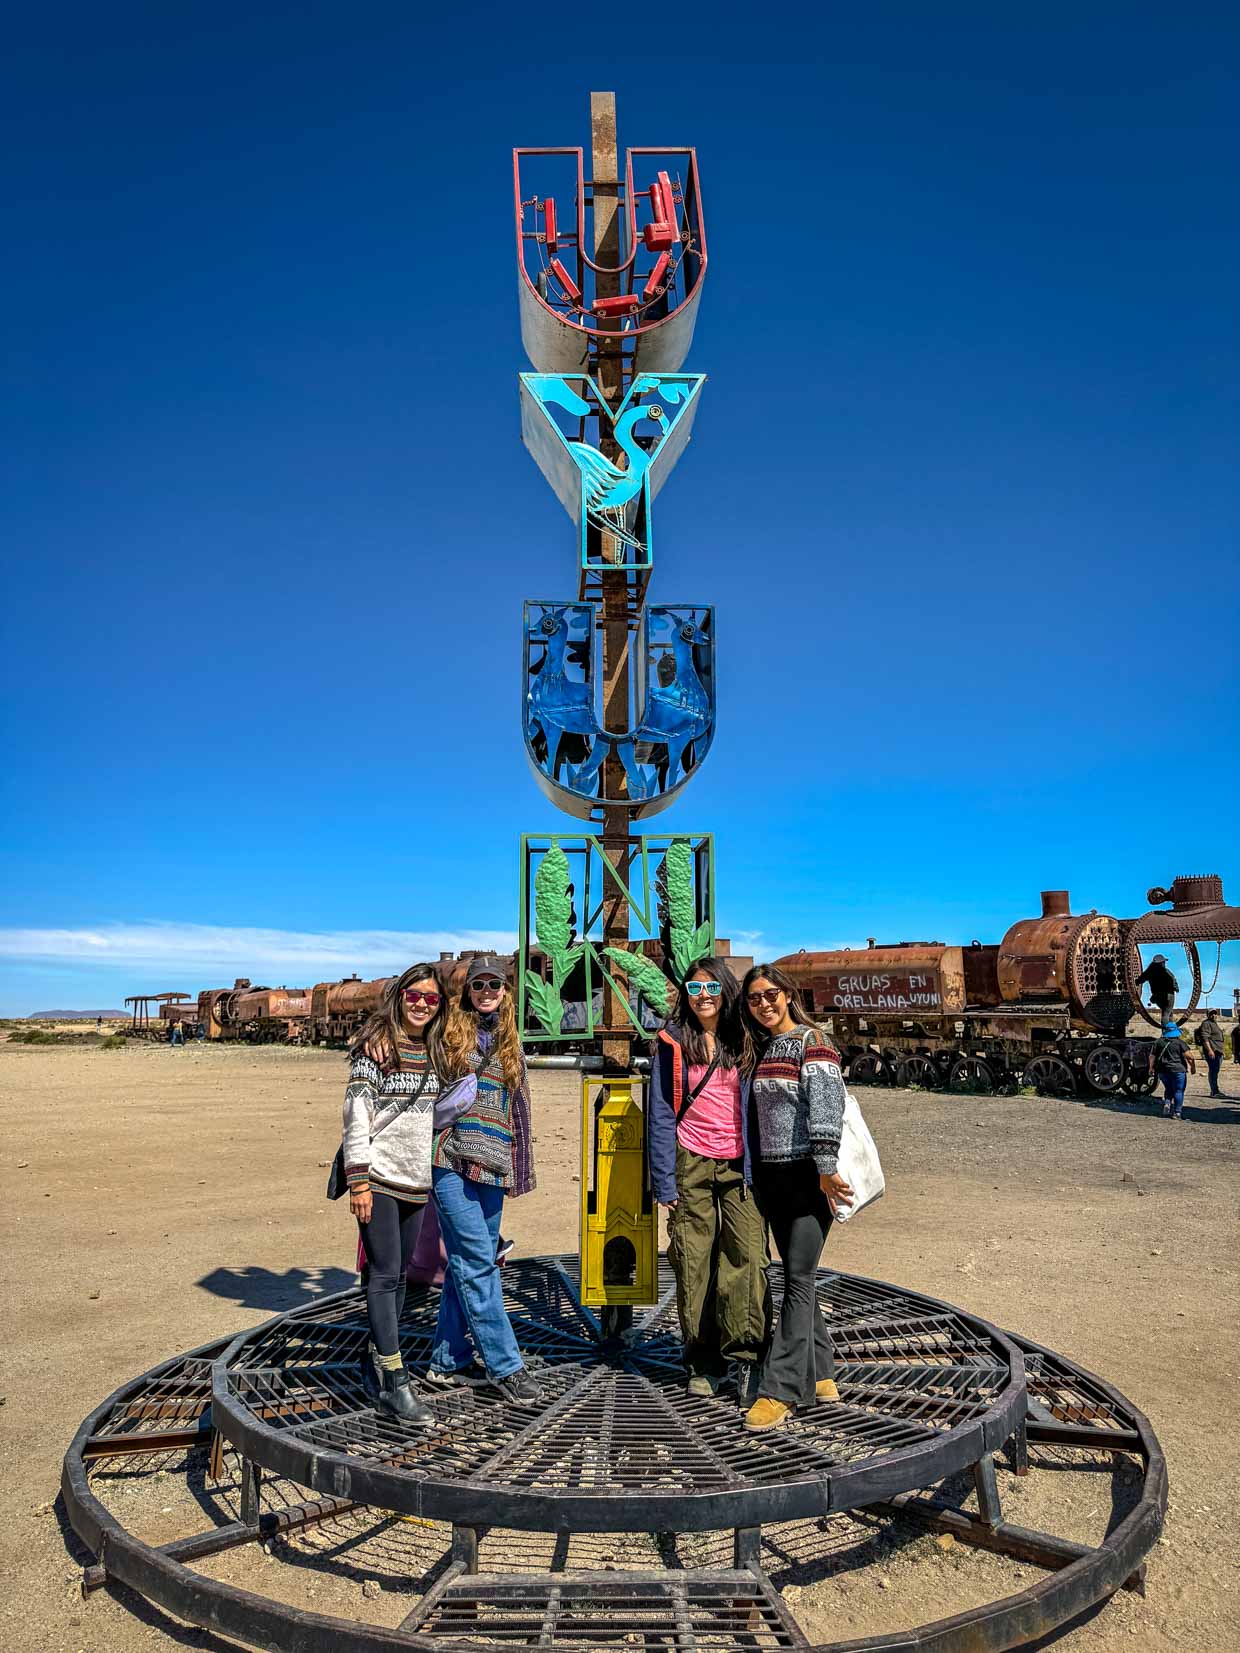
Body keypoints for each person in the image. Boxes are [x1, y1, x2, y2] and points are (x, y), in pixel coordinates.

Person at [648, 957, 770, 1406]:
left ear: (725, 991)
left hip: (741, 1165)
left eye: (711, 989)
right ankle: (702, 1360)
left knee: (747, 1258)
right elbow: (661, 1112)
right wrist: (663, 1180)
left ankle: (745, 1356)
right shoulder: (672, 1042)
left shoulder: (748, 1037)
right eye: (694, 989)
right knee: (693, 1261)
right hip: (691, 1162)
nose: (703, 997)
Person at [739, 963, 853, 1434]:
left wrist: (826, 1170)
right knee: (794, 1273)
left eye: (770, 995)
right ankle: (822, 1374)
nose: (763, 1004)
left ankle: (779, 1390)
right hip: (772, 1179)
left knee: (799, 1279)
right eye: (753, 999)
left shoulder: (813, 1042)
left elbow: (827, 1105)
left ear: (787, 994)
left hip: (808, 1178)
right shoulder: (764, 1049)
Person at [427, 955, 540, 1404]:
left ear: (506, 990)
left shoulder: (512, 1042)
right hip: (451, 1160)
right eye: (479, 985)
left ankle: (446, 1360)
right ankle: (505, 1366)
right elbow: (404, 1034)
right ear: (468, 991)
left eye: (495, 984)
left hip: (494, 1163)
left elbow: (518, 1110)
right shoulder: (449, 1032)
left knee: (465, 1264)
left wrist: (517, 1169)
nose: (487, 991)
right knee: (477, 1262)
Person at [342, 963, 449, 1424]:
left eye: (431, 998)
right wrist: (358, 1180)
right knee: (385, 1274)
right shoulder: (376, 1046)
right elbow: (356, 1113)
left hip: (415, 1179)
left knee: (400, 1275)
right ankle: (394, 1382)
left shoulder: (433, 1049)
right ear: (399, 996)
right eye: (414, 995)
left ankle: (377, 1359)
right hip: (379, 1178)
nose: (422, 1004)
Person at [1152, 1021, 1195, 1120]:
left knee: (1168, 1088)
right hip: (1178, 1070)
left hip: (1162, 1070)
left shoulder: (1158, 1042)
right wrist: (1193, 1068)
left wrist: (1151, 1068)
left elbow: (1152, 1057)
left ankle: (1167, 1103)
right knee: (1178, 1090)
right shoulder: (1180, 1043)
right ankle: (1177, 1112)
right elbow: (1190, 1057)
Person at [1136, 955, 1178, 1022]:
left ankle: (1168, 1029)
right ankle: (1167, 1030)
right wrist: (1176, 988)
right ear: (1161, 963)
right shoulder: (1166, 971)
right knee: (1167, 1013)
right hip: (1168, 995)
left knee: (1167, 1013)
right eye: (1163, 962)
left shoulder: (1149, 972)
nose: (1164, 964)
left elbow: (1139, 980)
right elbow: (1173, 980)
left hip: (1157, 996)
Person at [1199, 1010, 1225, 1097]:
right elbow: (1204, 1038)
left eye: (1215, 1013)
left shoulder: (1214, 1024)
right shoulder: (1206, 1024)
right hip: (1213, 1051)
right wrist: (1210, 1050)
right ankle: (1214, 1091)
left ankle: (1215, 1090)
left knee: (1215, 1071)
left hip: (1218, 1051)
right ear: (1208, 1015)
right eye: (1211, 1014)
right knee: (1213, 1071)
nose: (1213, 1015)